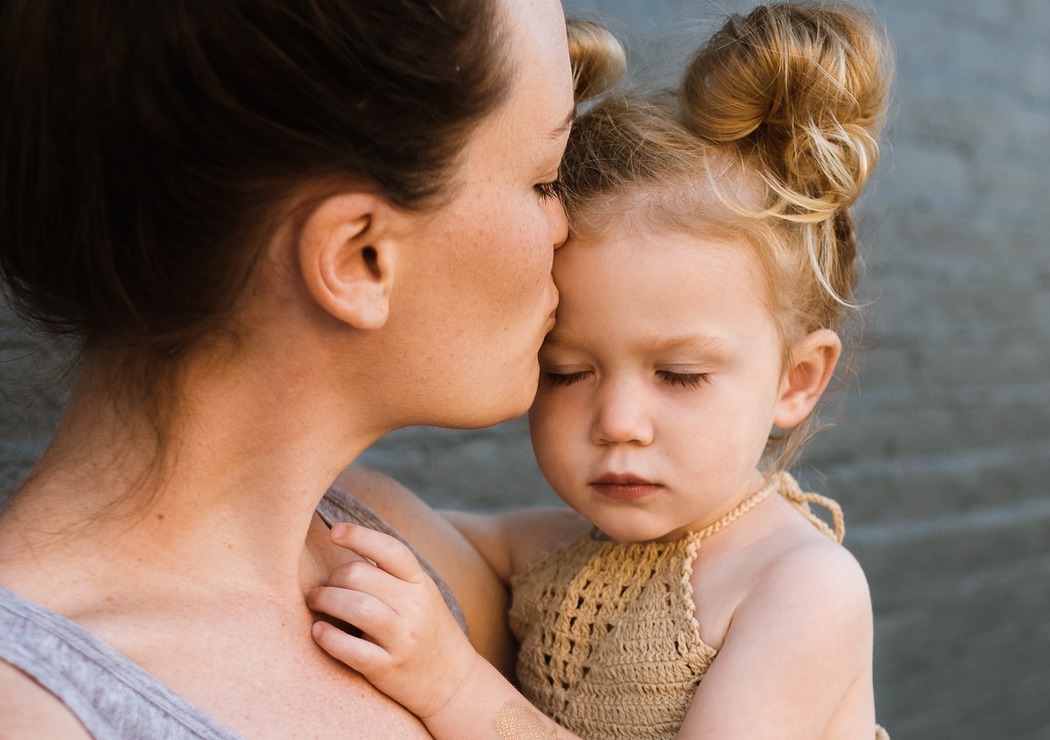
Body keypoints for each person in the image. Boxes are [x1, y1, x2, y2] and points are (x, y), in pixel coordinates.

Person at [0, 0, 623, 736]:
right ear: (359, 257)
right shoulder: (37, 713)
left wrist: (777, 587)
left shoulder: (398, 547)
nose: (566, 228)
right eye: (544, 181)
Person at [308, 2, 895, 738]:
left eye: (679, 375)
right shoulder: (552, 551)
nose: (617, 421)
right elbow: (384, 527)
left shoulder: (798, 587)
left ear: (796, 380)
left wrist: (452, 684)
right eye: (565, 372)